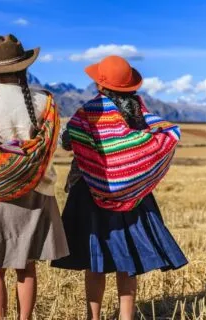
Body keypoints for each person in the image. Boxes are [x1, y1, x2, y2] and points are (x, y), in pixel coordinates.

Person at [51, 55, 188, 320]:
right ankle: (127, 317)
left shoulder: (88, 111)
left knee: (96, 260)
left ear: (101, 85)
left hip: (89, 193)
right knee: (128, 262)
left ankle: (94, 316)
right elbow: (162, 135)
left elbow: (69, 141)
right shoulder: (140, 112)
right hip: (134, 196)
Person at [0, 34, 69, 320]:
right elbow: (50, 147)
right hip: (34, 193)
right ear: (24, 67)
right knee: (26, 266)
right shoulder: (45, 102)